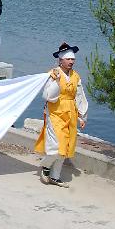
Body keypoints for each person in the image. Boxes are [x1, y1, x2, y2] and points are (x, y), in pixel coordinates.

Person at [35, 42, 88, 188]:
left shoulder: (76, 76)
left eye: (73, 60)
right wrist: (57, 82)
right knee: (56, 146)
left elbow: (79, 96)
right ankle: (46, 166)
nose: (71, 62)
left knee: (66, 146)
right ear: (61, 60)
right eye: (68, 59)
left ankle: (55, 176)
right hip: (55, 112)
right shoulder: (53, 74)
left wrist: (82, 116)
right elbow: (48, 96)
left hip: (70, 113)